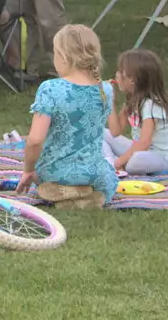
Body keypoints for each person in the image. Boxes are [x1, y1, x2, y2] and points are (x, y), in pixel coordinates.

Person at [18, 24, 117, 209]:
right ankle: (89, 195)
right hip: (92, 173)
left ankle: (63, 195)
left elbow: (35, 140)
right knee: (110, 177)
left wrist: (28, 170)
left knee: (41, 176)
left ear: (64, 56)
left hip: (55, 171)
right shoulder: (106, 89)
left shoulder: (50, 89)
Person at [104, 48, 168, 174]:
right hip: (142, 151)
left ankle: (114, 164)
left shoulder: (151, 104)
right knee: (100, 133)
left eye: (121, 72)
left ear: (132, 80)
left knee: (135, 161)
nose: (117, 75)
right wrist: (109, 100)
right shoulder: (132, 100)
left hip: (163, 158)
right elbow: (115, 131)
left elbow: (144, 143)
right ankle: (110, 162)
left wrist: (119, 162)